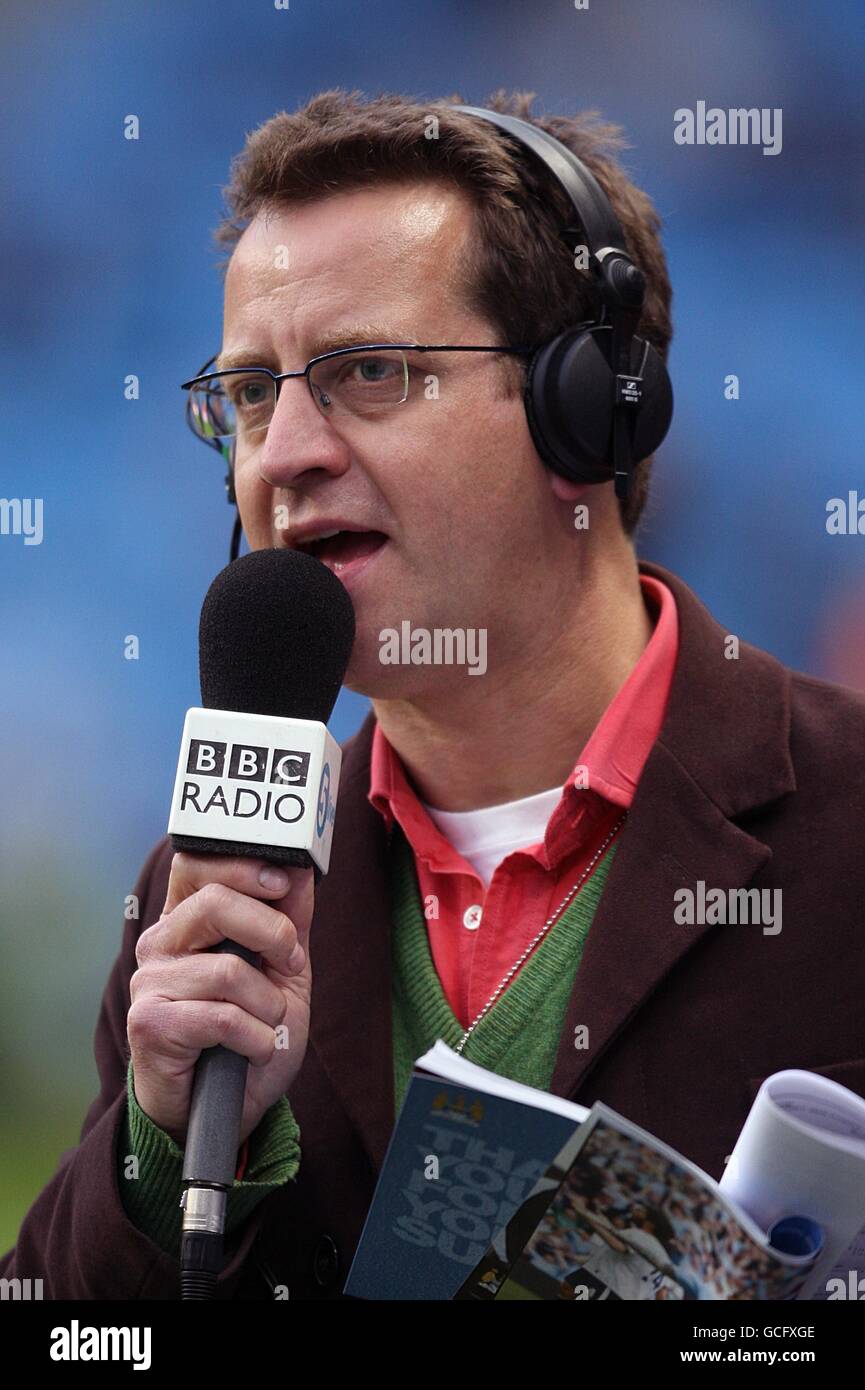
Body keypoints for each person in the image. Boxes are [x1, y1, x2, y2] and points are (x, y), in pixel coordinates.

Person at [3, 88, 864, 1301]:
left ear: (587, 407)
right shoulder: (202, 897)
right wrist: (162, 1151)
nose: (284, 452)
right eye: (251, 394)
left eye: (366, 372)